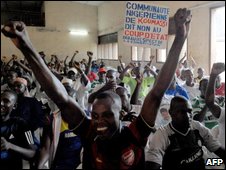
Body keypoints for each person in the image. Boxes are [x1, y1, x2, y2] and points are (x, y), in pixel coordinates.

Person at [1, 7, 191, 169]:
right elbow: (61, 97)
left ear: (121, 113)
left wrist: (180, 37)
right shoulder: (90, 132)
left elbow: (157, 92)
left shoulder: (136, 134)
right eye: (96, 115)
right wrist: (25, 45)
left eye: (107, 115)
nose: (99, 122)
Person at [145, 96, 225, 170]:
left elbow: (218, 149)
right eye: (182, 112)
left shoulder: (197, 126)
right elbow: (152, 165)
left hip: (204, 161)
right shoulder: (162, 134)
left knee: (219, 163)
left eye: (190, 111)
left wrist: (220, 162)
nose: (188, 116)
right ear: (171, 113)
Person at [1, 90, 37, 169]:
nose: (1, 103)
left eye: (6, 101)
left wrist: (10, 145)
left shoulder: (20, 124)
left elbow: (32, 153)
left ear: (14, 106)